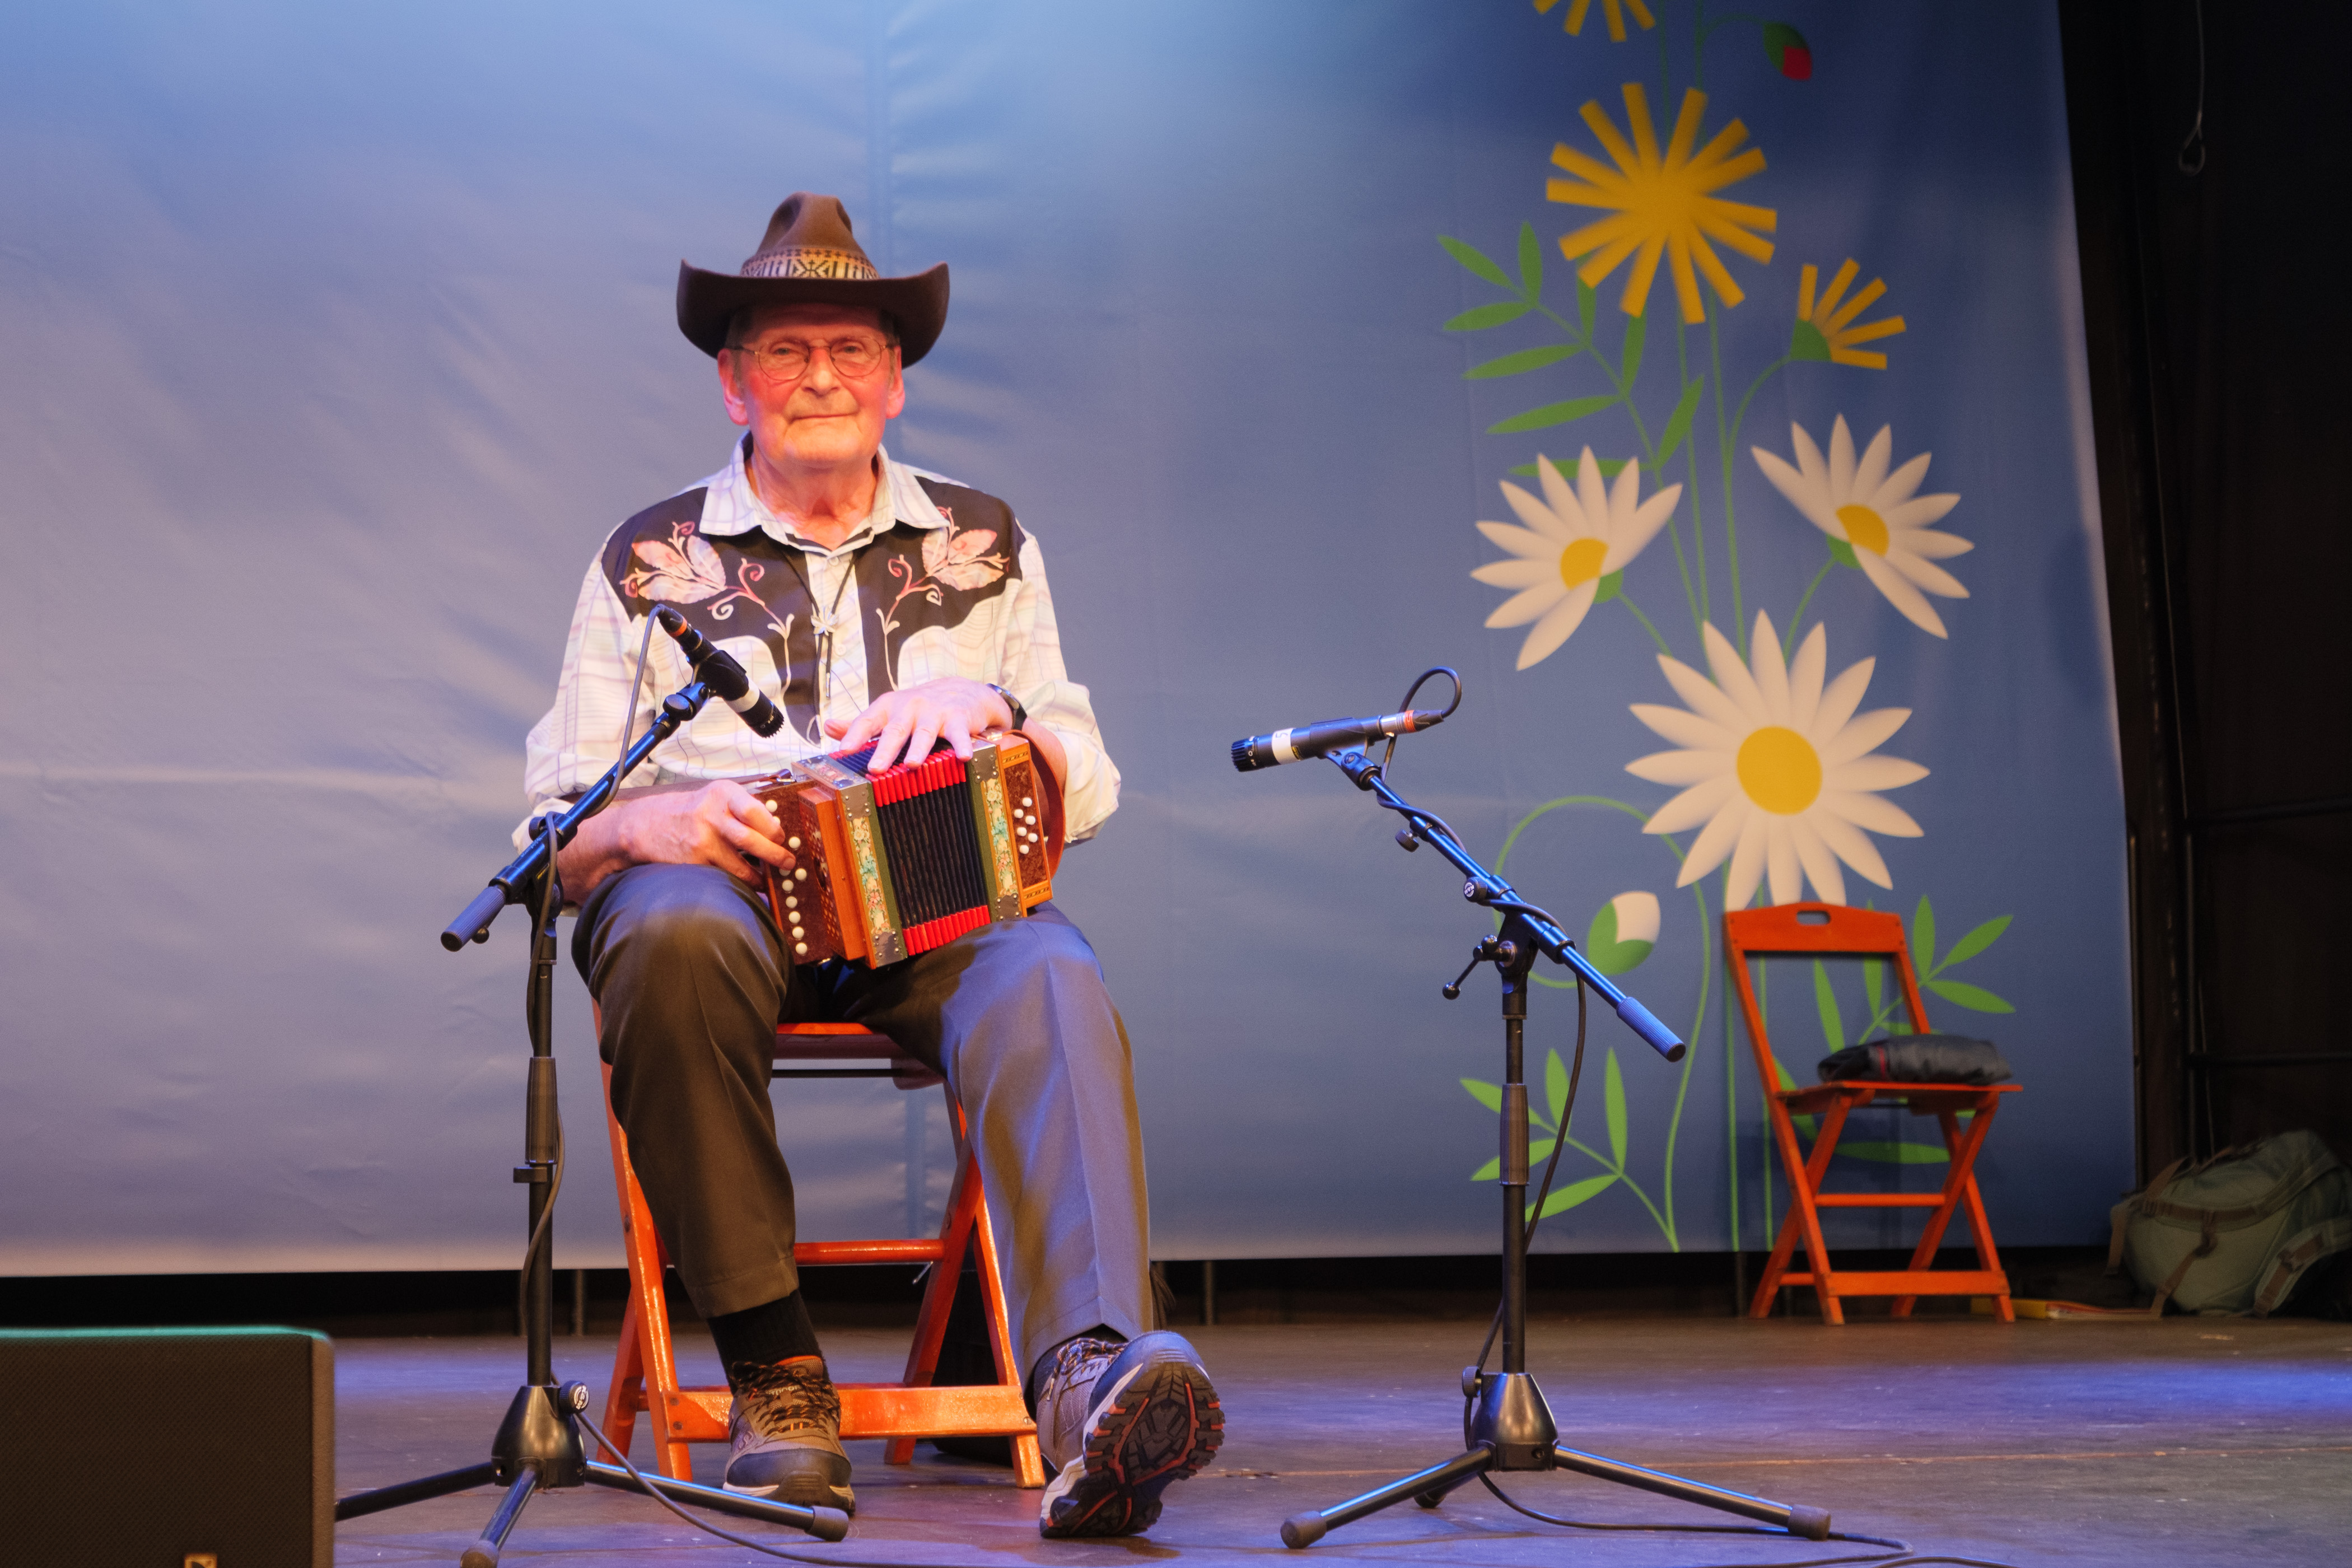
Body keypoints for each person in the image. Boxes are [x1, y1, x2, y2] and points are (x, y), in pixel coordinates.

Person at [520, 193, 1220, 1538]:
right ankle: (778, 1377)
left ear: (895, 377)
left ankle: (1088, 1379)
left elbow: (1086, 772)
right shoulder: (649, 557)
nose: (822, 375)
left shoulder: (985, 540)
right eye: (786, 349)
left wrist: (993, 709)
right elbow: (554, 830)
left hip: (930, 915)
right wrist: (651, 823)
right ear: (734, 380)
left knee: (1050, 967)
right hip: (714, 911)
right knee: (669, 932)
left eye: (851, 347)